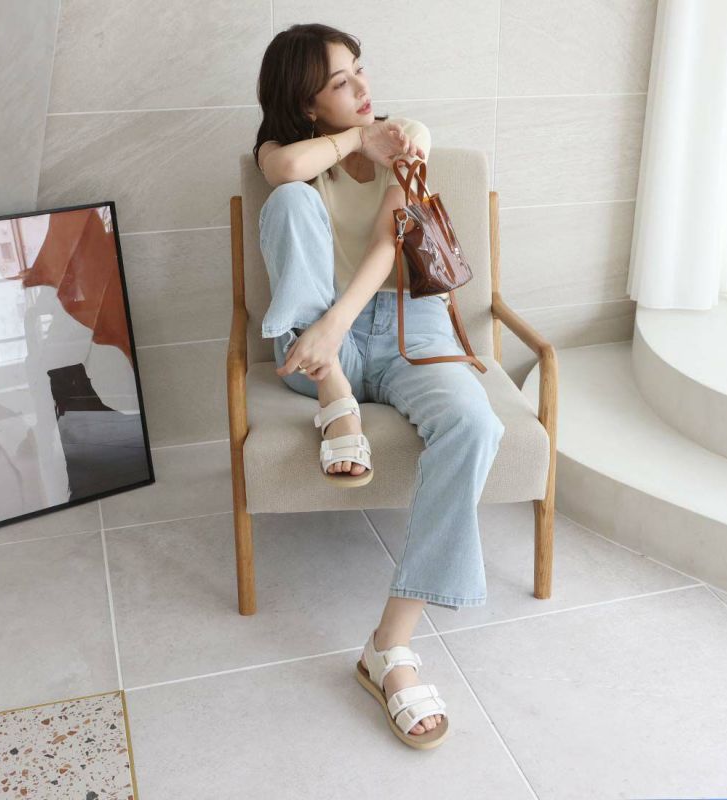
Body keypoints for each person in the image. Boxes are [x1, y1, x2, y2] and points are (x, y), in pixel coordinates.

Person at [252, 23, 505, 747]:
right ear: (306, 103)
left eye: (360, 70)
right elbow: (284, 169)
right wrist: (355, 141)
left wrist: (336, 326)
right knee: (289, 200)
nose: (364, 88)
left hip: (402, 326)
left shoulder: (407, 134)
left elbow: (390, 240)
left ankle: (389, 647)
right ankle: (335, 396)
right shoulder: (286, 151)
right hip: (312, 343)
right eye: (341, 82)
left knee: (476, 425)